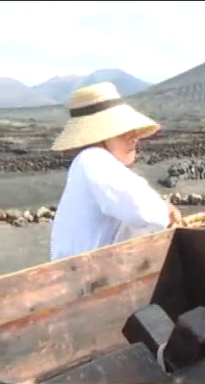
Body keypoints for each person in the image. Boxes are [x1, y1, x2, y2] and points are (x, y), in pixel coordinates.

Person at [49, 82, 183, 261]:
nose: (134, 137)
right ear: (100, 136)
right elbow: (144, 213)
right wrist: (166, 211)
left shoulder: (86, 164)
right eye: (123, 132)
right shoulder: (94, 159)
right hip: (89, 277)